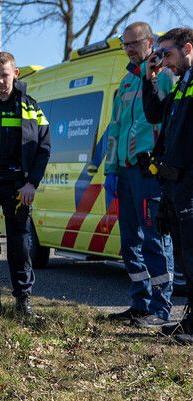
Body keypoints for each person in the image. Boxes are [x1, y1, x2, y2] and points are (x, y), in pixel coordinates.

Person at [104, 22, 176, 329]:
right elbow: (115, 128)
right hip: (125, 172)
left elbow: (169, 122)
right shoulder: (126, 82)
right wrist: (110, 168)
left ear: (151, 42)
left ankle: (161, 309)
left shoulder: (164, 78)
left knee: (154, 240)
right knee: (130, 241)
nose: (130, 48)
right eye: (126, 44)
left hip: (149, 173)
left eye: (135, 43)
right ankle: (139, 303)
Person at [141, 27, 193, 343]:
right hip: (176, 188)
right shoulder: (181, 85)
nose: (165, 62)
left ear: (188, 48)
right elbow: (154, 113)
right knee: (188, 261)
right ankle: (189, 323)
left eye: (168, 54)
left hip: (189, 186)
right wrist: (150, 76)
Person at [0, 52, 51, 319]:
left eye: (5, 75)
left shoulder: (31, 106)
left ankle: (23, 301)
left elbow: (44, 148)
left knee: (20, 244)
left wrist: (31, 183)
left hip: (19, 183)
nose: (0, 81)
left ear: (15, 74)